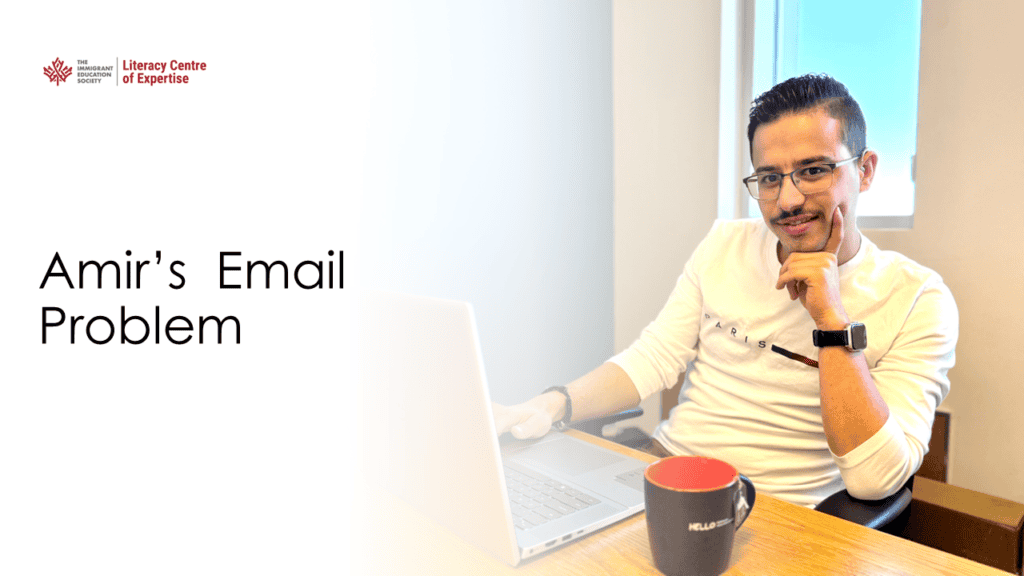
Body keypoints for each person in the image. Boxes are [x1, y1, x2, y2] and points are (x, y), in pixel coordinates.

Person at [492, 74, 957, 507]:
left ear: (866, 170)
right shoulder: (725, 243)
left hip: (781, 512)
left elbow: (875, 479)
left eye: (814, 170)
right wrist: (551, 405)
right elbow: (654, 358)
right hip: (664, 471)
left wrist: (831, 318)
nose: (788, 200)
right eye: (770, 178)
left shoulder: (918, 298)